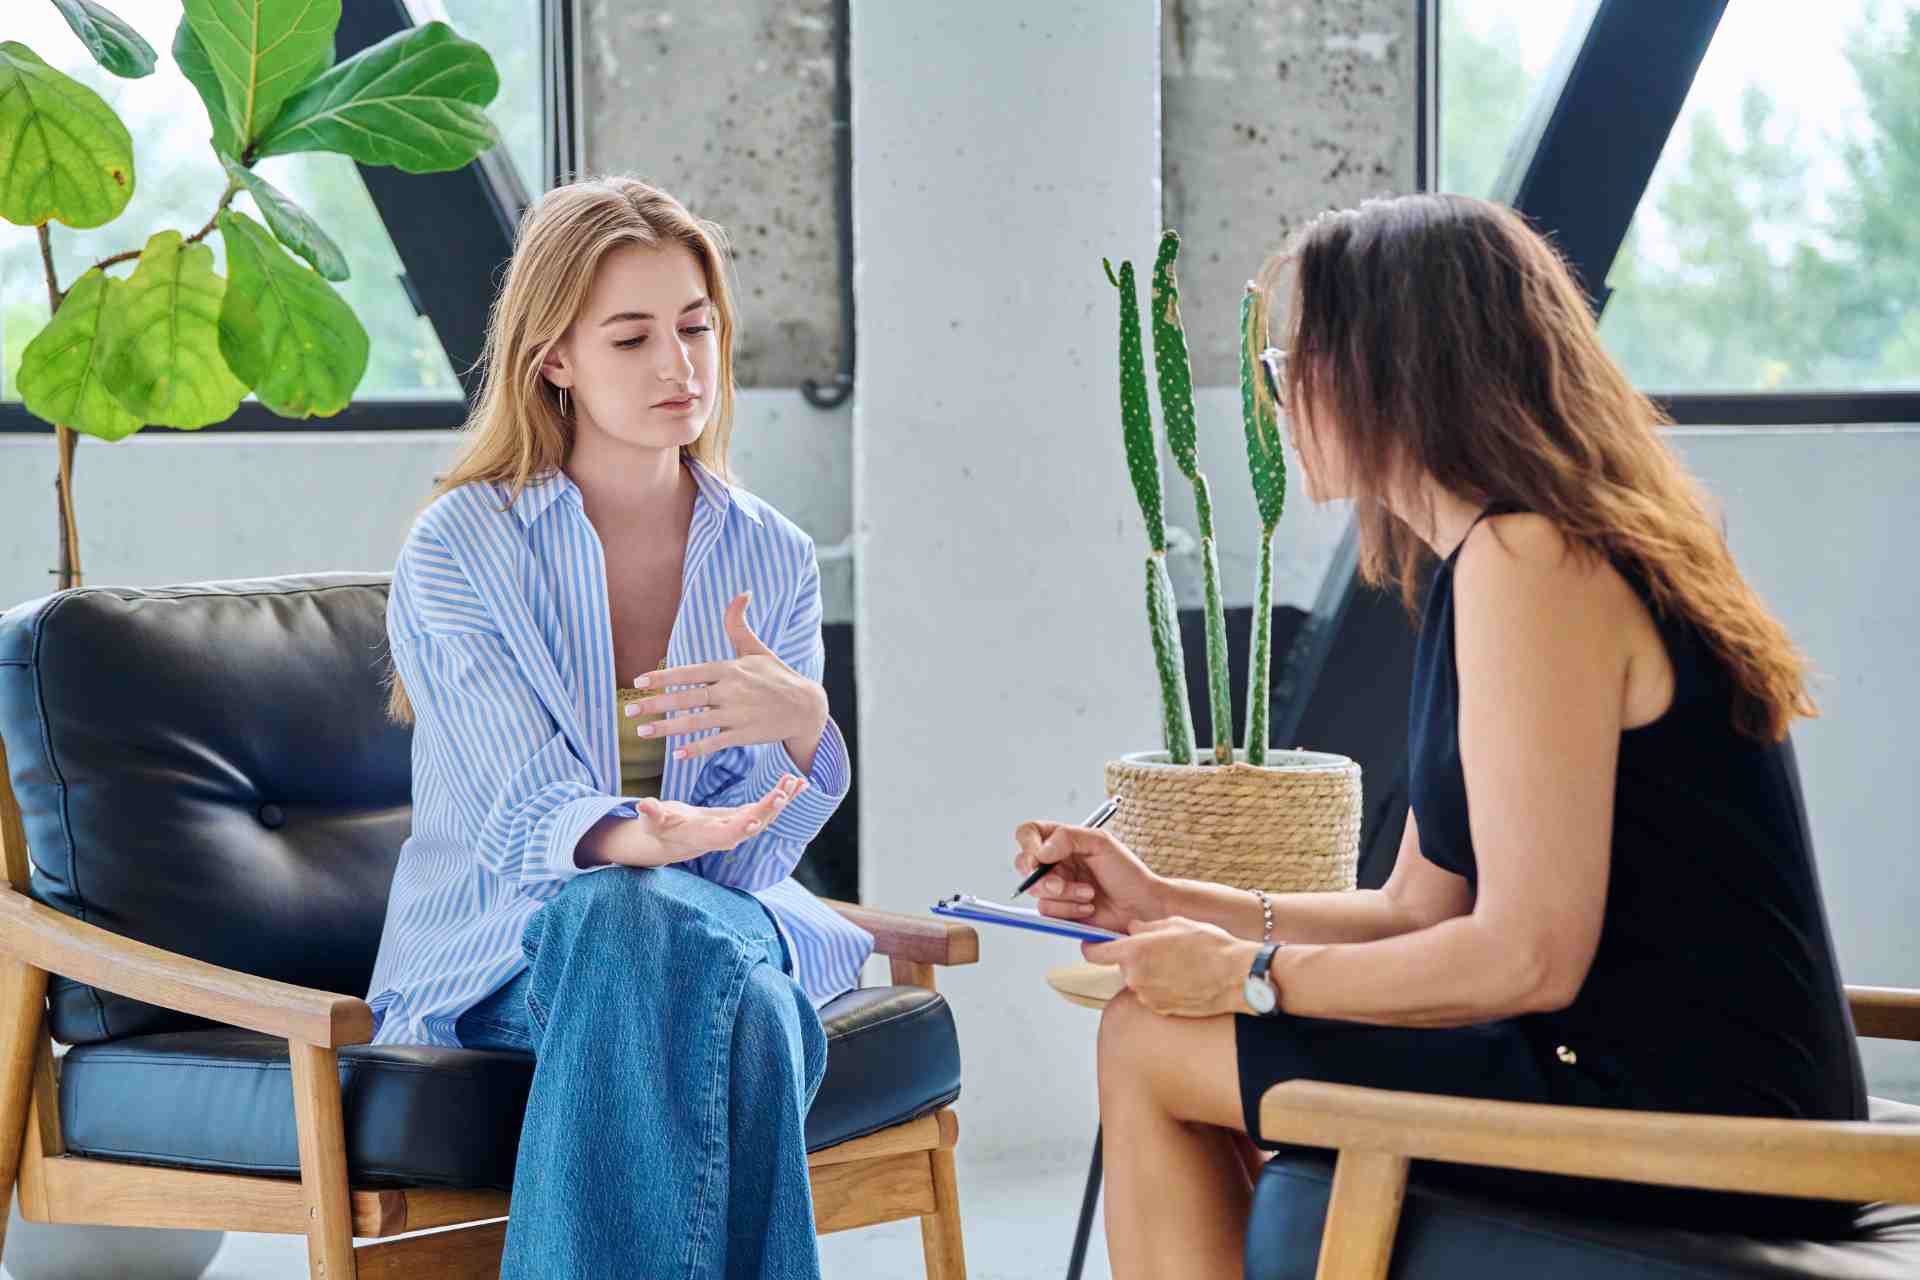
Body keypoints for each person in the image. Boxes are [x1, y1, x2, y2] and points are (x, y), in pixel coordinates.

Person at [1013, 192, 1866, 1278]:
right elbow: (1420, 907)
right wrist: (1168, 898)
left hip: (1699, 1113)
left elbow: (1527, 953)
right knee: (1156, 1028)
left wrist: (1253, 974)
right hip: (1629, 1070)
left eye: (1292, 364)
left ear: (1391, 369)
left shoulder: (1533, 564)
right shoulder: (1494, 562)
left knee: (1149, 1040)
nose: (1277, 397)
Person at [365, 175, 873, 1279]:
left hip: (705, 915)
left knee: (647, 925)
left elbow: (754, 857)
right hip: (501, 952)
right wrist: (638, 839)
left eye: (696, 328)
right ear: (555, 358)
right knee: (702, 976)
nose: (678, 366)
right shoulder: (461, 547)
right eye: (632, 336)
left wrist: (802, 730)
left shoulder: (772, 555)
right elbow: (517, 800)